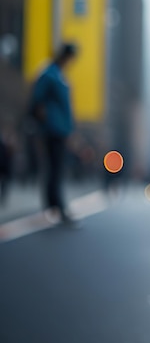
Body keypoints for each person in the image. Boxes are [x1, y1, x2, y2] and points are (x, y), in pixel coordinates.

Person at [30, 43, 78, 224]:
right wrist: (44, 117)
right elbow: (38, 98)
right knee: (54, 168)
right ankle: (54, 206)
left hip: (61, 130)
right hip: (52, 129)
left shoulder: (60, 76)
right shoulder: (50, 74)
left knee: (57, 168)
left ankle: (55, 206)